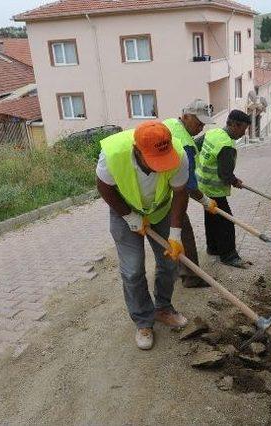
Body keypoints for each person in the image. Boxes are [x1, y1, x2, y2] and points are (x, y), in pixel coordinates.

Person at [96, 121, 189, 350]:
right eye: (155, 160)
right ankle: (143, 321)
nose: (162, 166)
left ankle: (163, 308)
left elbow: (180, 193)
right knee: (133, 270)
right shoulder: (113, 154)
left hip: (160, 211)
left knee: (169, 263)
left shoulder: (178, 154)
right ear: (138, 150)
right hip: (124, 211)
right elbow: (104, 187)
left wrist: (176, 234)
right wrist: (129, 216)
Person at [163, 100, 218, 288]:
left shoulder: (170, 123)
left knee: (170, 235)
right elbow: (188, 185)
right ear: (185, 116)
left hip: (159, 191)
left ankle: (179, 270)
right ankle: (192, 277)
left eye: (203, 124)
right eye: (198, 123)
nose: (201, 128)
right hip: (170, 195)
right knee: (182, 232)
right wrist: (204, 200)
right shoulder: (185, 144)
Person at [196, 110, 251, 268]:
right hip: (215, 189)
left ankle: (213, 248)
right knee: (226, 222)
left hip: (203, 186)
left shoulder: (213, 133)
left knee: (212, 217)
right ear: (234, 125)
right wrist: (235, 181)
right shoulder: (226, 145)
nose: (243, 133)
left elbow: (196, 146)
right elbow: (225, 175)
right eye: (243, 129)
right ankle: (229, 256)